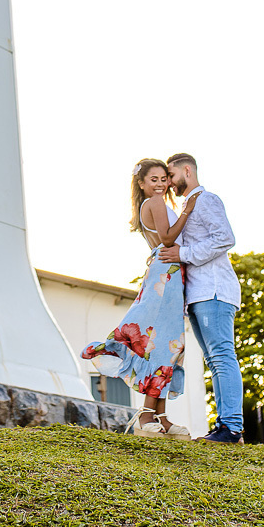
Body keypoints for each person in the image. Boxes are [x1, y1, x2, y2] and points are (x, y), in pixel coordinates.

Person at [80, 158, 200, 438]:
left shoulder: (153, 205)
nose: (160, 184)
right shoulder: (156, 203)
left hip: (168, 273)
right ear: (142, 183)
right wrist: (187, 212)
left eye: (163, 179)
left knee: (169, 343)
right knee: (161, 341)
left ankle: (159, 416)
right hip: (166, 276)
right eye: (154, 180)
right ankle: (147, 416)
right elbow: (168, 240)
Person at [157, 153, 244, 444]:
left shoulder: (206, 200)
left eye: (170, 175)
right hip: (197, 294)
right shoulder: (185, 206)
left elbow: (224, 238)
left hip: (214, 290)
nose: (168, 182)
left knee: (221, 355)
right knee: (214, 359)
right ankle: (225, 426)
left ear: (187, 170)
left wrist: (183, 254)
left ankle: (232, 428)